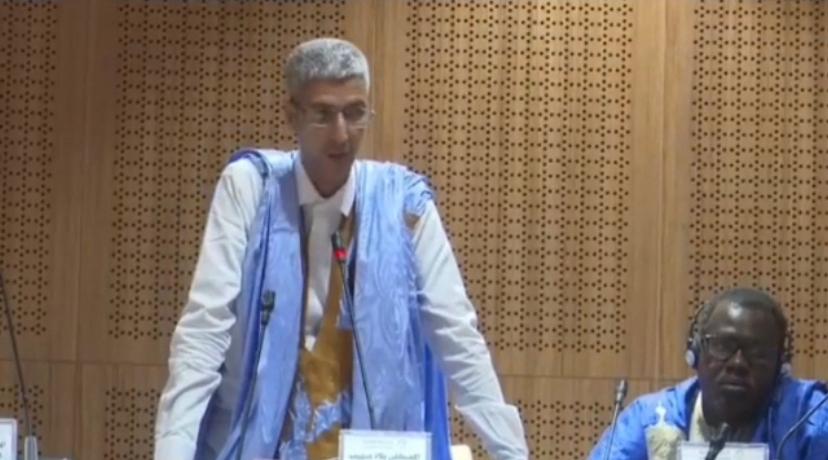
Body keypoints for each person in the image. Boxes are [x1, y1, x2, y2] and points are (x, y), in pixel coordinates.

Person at [153, 37, 528, 460]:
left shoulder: (403, 203)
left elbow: (458, 336)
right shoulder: (251, 188)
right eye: (323, 115)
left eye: (355, 113)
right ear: (292, 114)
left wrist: (512, 455)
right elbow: (204, 330)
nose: (342, 134)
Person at [590, 288, 828, 459]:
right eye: (723, 346)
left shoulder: (811, 419)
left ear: (780, 363)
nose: (737, 363)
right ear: (695, 351)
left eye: (756, 352)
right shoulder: (652, 419)